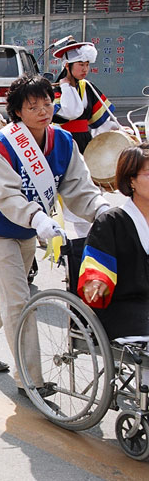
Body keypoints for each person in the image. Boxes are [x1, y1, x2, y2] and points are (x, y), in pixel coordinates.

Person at [0, 75, 109, 398]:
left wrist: (99, 208)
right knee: (18, 298)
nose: (44, 110)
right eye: (33, 106)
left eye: (47, 103)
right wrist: (38, 218)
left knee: (1, 291)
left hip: (31, 227)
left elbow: (78, 187)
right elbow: (7, 197)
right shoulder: (2, 144)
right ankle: (30, 378)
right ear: (18, 112)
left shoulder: (62, 142)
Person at [78, 143, 149, 341]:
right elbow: (97, 263)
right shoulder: (111, 221)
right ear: (131, 180)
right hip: (126, 307)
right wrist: (97, 281)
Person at [52, 41, 118, 154]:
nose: (85, 69)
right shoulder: (56, 90)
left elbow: (100, 121)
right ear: (67, 65)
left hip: (84, 141)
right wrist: (66, 87)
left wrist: (117, 129)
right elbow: (71, 112)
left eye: (87, 64)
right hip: (61, 141)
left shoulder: (87, 86)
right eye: (81, 64)